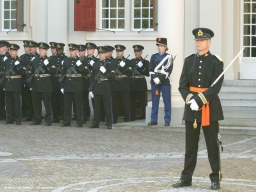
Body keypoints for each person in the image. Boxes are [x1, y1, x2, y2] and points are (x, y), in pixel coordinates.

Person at [173, 28, 224, 190]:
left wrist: (200, 100)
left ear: (209, 43)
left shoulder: (217, 62)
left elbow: (215, 88)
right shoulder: (189, 61)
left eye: (202, 40)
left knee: (212, 146)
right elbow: (182, 86)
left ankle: (215, 178)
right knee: (190, 147)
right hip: (192, 109)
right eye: (197, 40)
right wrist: (190, 100)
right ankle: (186, 177)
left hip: (210, 108)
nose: (199, 42)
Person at [60, 43, 87, 127]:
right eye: (70, 50)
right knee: (67, 106)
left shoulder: (82, 61)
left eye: (73, 50)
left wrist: (80, 66)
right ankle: (66, 121)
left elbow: (86, 73)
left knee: (78, 106)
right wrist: (62, 86)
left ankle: (79, 122)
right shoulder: (66, 61)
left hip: (77, 86)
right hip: (68, 85)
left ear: (77, 51)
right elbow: (62, 73)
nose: (71, 52)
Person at [148, 38, 173, 126]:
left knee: (167, 101)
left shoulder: (169, 57)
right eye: (158, 46)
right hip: (155, 81)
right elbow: (150, 69)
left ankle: (167, 120)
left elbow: (168, 71)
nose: (159, 47)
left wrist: (160, 79)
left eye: (161, 46)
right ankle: (153, 120)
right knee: (155, 101)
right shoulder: (153, 56)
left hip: (165, 81)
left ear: (165, 47)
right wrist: (155, 78)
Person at [89, 46, 113, 129]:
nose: (100, 55)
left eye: (102, 53)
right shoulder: (96, 64)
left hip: (105, 86)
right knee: (96, 107)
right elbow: (92, 77)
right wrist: (91, 90)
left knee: (107, 107)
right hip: (97, 87)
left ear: (106, 54)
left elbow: (113, 77)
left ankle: (109, 122)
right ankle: (95, 123)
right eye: (99, 53)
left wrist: (105, 72)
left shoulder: (110, 64)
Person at [29, 42, 53, 126]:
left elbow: (53, 72)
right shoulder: (35, 60)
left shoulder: (50, 60)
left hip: (45, 85)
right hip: (36, 85)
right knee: (36, 104)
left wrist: (47, 65)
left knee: (47, 104)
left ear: (46, 51)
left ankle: (48, 119)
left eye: (42, 50)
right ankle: (37, 119)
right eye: (40, 50)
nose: (40, 51)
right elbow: (32, 73)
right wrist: (31, 85)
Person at [3, 43, 26, 125]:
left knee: (17, 103)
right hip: (8, 83)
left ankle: (17, 119)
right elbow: (5, 73)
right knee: (9, 103)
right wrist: (4, 85)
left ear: (17, 52)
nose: (12, 53)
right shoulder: (7, 61)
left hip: (16, 84)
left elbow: (23, 72)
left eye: (13, 51)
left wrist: (18, 65)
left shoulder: (21, 61)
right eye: (11, 51)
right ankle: (9, 118)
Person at [111, 44, 132, 123]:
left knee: (125, 103)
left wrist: (124, 67)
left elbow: (130, 73)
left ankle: (127, 118)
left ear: (123, 52)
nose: (118, 53)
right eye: (117, 51)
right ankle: (114, 119)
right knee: (114, 104)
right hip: (115, 85)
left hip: (124, 84)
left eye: (120, 51)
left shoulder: (127, 61)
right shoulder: (113, 61)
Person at [130, 45, 149, 120]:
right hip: (133, 83)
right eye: (135, 51)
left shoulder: (145, 62)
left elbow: (147, 73)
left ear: (141, 52)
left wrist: (142, 67)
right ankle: (132, 116)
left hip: (141, 83)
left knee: (142, 101)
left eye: (138, 51)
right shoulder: (131, 61)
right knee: (132, 101)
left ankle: (143, 115)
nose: (136, 53)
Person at [50, 43, 67, 123]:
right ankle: (55, 116)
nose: (59, 51)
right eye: (57, 50)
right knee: (54, 101)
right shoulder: (52, 58)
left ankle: (63, 115)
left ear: (63, 50)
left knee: (63, 101)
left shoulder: (66, 59)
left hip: (62, 82)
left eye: (60, 50)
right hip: (54, 82)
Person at [22, 40, 39, 121]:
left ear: (36, 48)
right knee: (27, 99)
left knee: (35, 100)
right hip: (27, 81)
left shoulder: (38, 57)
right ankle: (28, 115)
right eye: (29, 47)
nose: (30, 49)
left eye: (32, 47)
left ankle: (35, 114)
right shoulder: (25, 57)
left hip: (35, 81)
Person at [78, 44, 90, 124]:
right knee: (79, 100)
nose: (80, 53)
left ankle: (86, 115)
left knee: (85, 100)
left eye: (82, 51)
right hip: (78, 83)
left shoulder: (87, 60)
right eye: (79, 51)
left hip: (85, 83)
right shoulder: (77, 60)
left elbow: (86, 72)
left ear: (84, 51)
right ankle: (79, 115)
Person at [0, 40, 10, 120]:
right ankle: (2, 114)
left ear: (7, 48)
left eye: (2, 47)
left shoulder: (10, 57)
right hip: (0, 80)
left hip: (8, 80)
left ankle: (9, 115)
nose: (0, 49)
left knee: (9, 98)